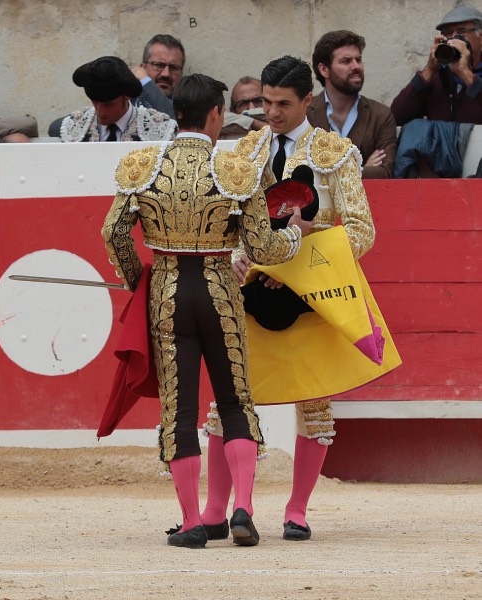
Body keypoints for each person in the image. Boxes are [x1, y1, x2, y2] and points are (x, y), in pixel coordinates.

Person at [102, 73, 313, 549]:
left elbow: (113, 233)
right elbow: (262, 245)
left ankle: (194, 521)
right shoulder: (237, 171)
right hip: (219, 291)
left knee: (181, 411)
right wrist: (297, 234)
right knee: (236, 402)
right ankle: (243, 509)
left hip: (169, 293)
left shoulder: (141, 164)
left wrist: (140, 280)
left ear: (178, 113)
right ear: (216, 114)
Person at [201, 56, 376, 542]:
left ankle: (296, 510)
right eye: (264, 102)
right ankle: (220, 509)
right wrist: (234, 256)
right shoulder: (243, 152)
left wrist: (299, 251)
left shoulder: (336, 153)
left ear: (307, 102)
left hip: (309, 296)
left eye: (282, 104)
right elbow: (227, 223)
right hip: (248, 291)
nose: (271, 113)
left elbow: (361, 233)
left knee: (314, 406)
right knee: (227, 404)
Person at [307, 30, 398, 179]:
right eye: (346, 61)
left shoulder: (380, 115)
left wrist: (327, 172)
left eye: (358, 60)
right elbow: (304, 173)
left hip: (369, 201)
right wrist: (358, 168)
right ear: (324, 70)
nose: (356, 66)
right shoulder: (306, 114)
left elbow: (385, 173)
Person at [390, 6, 482, 125]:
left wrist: (465, 74)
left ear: (480, 38)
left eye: (461, 31)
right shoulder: (437, 77)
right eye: (448, 32)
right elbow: (397, 116)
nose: (453, 37)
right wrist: (429, 70)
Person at [58, 56, 177, 142]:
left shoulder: (159, 128)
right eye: (95, 103)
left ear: (126, 96)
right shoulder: (74, 126)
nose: (100, 112)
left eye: (108, 104)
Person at [131, 34, 185, 115]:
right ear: (143, 68)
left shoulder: (188, 106)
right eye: (159, 65)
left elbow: (173, 122)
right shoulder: (127, 102)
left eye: (173, 68)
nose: (166, 74)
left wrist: (146, 81)